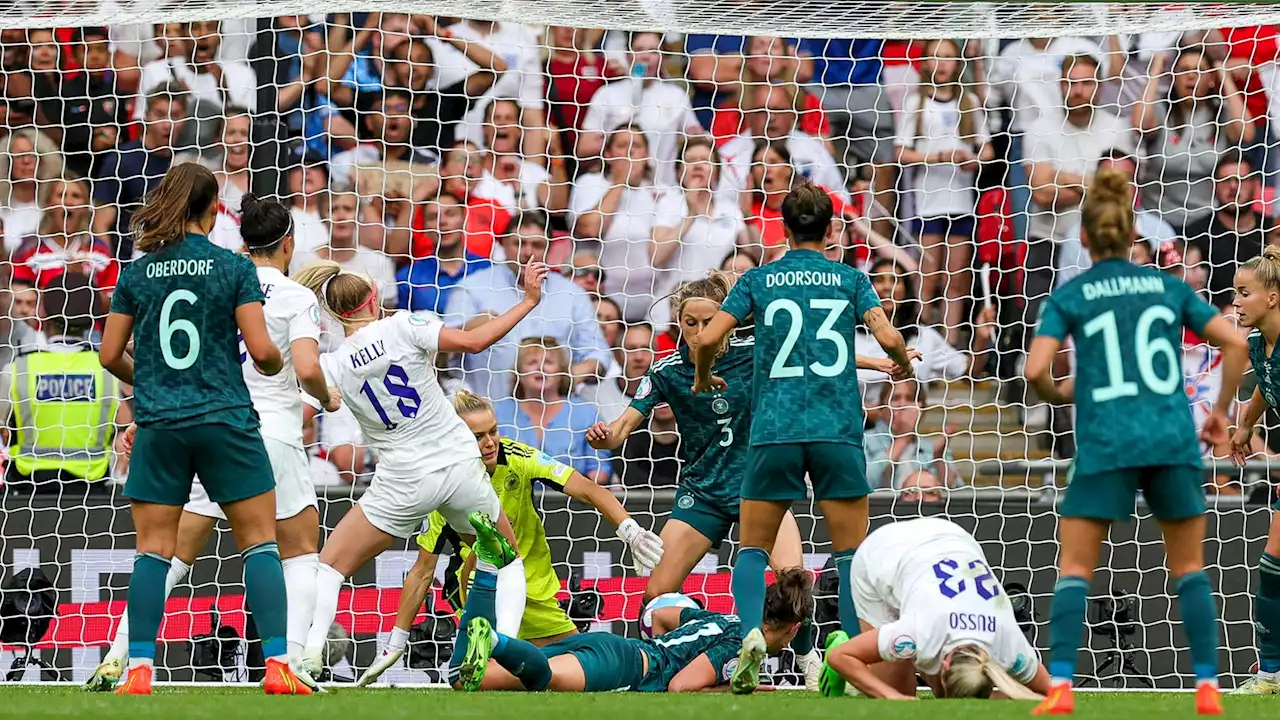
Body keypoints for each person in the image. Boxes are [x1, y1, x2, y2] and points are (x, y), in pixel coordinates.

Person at [84, 194, 339, 690]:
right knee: (297, 551)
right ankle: (294, 662)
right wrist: (326, 400)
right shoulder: (292, 296)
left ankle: (121, 656)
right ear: (289, 243)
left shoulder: (205, 281)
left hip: (195, 417)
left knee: (167, 554)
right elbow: (303, 367)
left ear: (244, 240)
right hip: (264, 432)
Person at [1023, 170, 1248, 715]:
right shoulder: (1168, 285)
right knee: (1189, 568)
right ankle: (1207, 688)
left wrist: (1058, 391)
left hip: (1106, 442)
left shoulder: (1071, 295)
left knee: (1075, 569)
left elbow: (1034, 372)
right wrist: (1219, 414)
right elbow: (1237, 341)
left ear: (1083, 238)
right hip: (1170, 437)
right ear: (1132, 236)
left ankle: (1060, 689)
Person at [691, 183, 914, 695]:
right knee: (851, 554)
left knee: (752, 547)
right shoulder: (852, 279)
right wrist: (900, 364)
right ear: (831, 228)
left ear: (784, 228)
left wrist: (703, 377)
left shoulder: (760, 280)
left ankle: (750, 636)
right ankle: (858, 662)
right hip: (837, 430)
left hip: (776, 429)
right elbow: (888, 338)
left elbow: (706, 339)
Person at [290, 257, 552, 678]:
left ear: (336, 315)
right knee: (508, 561)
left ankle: (310, 653)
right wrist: (528, 301)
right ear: (375, 298)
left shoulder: (332, 365)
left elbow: (298, 414)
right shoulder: (405, 325)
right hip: (458, 463)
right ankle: (501, 649)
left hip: (403, 480)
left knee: (330, 564)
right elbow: (474, 342)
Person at [587, 271, 836, 689]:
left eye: (709, 322)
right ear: (678, 323)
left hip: (759, 489)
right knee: (654, 598)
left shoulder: (758, 353)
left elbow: (815, 362)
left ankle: (810, 659)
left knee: (793, 578)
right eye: (690, 323)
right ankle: (661, 670)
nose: (699, 332)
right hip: (701, 494)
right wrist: (604, 436)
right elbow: (621, 429)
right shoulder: (667, 371)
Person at [355, 388, 662, 686]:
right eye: (478, 437)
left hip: (534, 590)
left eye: (493, 431)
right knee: (488, 679)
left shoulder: (519, 458)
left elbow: (590, 489)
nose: (490, 443)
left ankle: (637, 659)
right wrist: (396, 642)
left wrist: (630, 531)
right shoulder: (443, 485)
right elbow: (422, 571)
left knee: (570, 664)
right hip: (482, 593)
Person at [453, 516, 813, 694]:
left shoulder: (722, 621)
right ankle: (497, 641)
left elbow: (660, 612)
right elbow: (680, 688)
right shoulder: (738, 646)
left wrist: (660, 644)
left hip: (619, 648)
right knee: (542, 679)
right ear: (793, 628)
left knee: (467, 680)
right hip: (622, 667)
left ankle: (487, 569)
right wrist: (734, 685)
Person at [822, 517, 1046, 699]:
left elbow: (1050, 692)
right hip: (884, 552)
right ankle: (853, 654)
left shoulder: (1010, 647)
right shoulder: (919, 633)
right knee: (895, 694)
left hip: (953, 537)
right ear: (945, 664)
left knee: (964, 689)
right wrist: (893, 698)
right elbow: (840, 657)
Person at [0, 272, 126, 496]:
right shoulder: (107, 369)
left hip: (28, 491)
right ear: (92, 316)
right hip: (92, 490)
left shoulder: (19, 367)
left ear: (44, 314)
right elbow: (124, 430)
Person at [1227, 247, 1280, 693]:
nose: (1236, 302)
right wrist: (1245, 424)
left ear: (1273, 298)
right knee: (1272, 565)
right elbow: (1266, 382)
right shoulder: (1258, 344)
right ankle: (1271, 674)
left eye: (1244, 293)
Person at [493, 336, 610, 484]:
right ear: (519, 372)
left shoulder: (585, 412)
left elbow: (599, 467)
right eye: (531, 363)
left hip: (573, 502)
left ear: (561, 372)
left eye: (548, 362)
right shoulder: (499, 412)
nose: (540, 368)